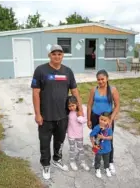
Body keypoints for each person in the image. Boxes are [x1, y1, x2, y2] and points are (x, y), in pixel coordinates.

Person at [31, 44, 83, 180]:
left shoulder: (68, 72)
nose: (57, 56)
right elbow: (35, 93)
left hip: (63, 115)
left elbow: (75, 91)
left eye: (59, 54)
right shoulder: (40, 70)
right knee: (44, 142)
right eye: (54, 54)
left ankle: (57, 159)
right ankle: (46, 164)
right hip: (46, 116)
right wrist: (37, 114)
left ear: (62, 56)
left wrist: (80, 110)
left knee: (59, 141)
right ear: (49, 55)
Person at [87, 69, 120, 174]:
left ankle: (110, 161)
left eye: (102, 79)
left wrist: (111, 118)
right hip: (95, 117)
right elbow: (89, 105)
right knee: (97, 139)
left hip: (107, 119)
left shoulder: (113, 90)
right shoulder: (94, 89)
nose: (100, 81)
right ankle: (97, 158)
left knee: (108, 139)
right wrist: (88, 119)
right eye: (98, 79)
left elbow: (117, 105)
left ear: (107, 78)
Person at [66, 95, 90, 171]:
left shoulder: (81, 111)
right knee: (72, 148)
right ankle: (72, 161)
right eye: (69, 106)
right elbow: (67, 123)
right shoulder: (68, 113)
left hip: (79, 134)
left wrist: (79, 117)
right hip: (71, 134)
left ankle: (83, 162)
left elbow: (84, 120)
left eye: (73, 105)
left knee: (81, 149)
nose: (71, 107)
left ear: (76, 104)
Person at [90, 112, 113, 178]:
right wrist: (93, 144)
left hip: (107, 148)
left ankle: (107, 168)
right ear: (99, 119)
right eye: (101, 119)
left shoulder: (109, 128)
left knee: (106, 159)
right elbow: (91, 135)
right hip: (98, 147)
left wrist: (104, 137)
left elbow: (111, 137)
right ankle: (97, 169)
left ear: (108, 121)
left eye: (104, 120)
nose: (102, 121)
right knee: (98, 159)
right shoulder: (96, 128)